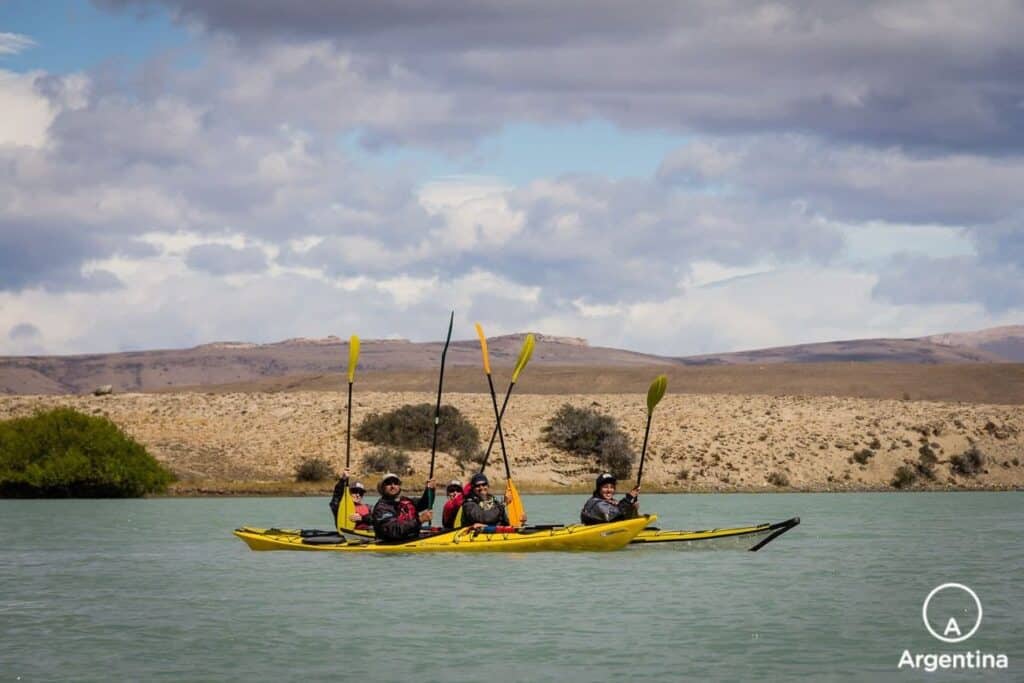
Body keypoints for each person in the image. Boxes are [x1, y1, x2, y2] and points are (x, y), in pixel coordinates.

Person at [371, 472, 435, 543]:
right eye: (388, 483)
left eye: (395, 483)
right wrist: (419, 520)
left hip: (411, 540)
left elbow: (425, 503)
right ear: (382, 488)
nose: (393, 486)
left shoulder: (405, 501)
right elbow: (393, 531)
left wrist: (430, 490)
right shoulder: (381, 508)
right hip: (390, 545)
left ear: (399, 486)